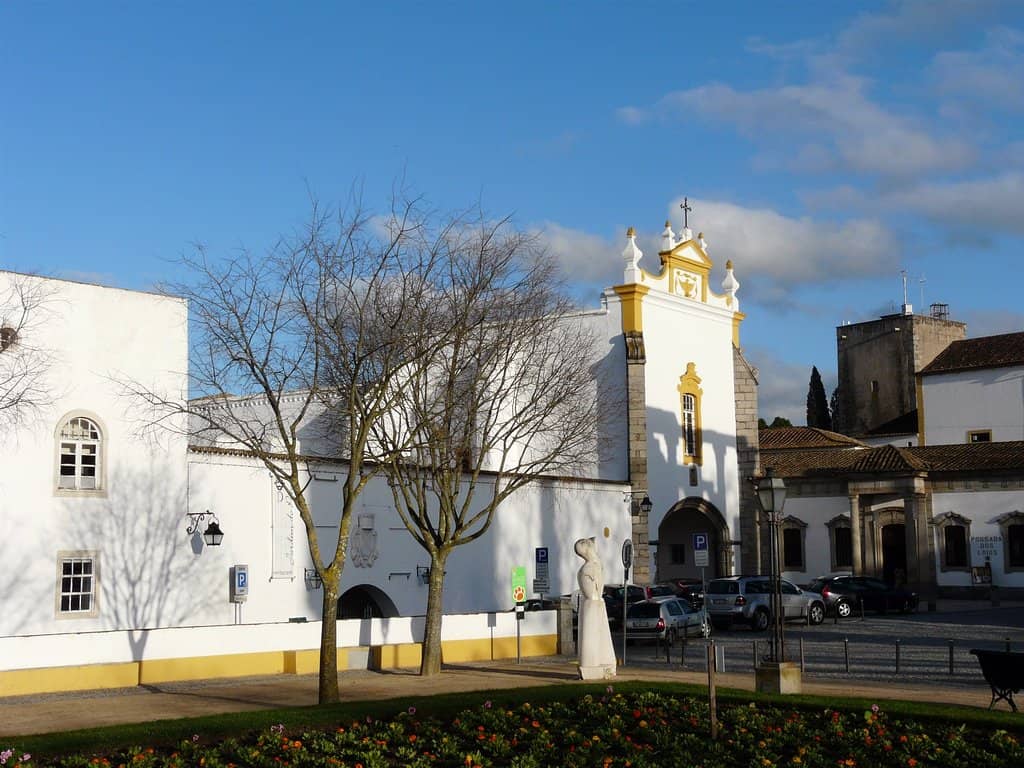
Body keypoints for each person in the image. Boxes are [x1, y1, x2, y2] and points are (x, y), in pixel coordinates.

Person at [574, 537, 617, 679]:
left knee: (599, 637)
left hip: (596, 604)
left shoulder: (594, 566)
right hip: (592, 605)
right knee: (592, 637)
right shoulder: (587, 569)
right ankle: (592, 665)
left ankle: (603, 664)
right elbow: (590, 594)